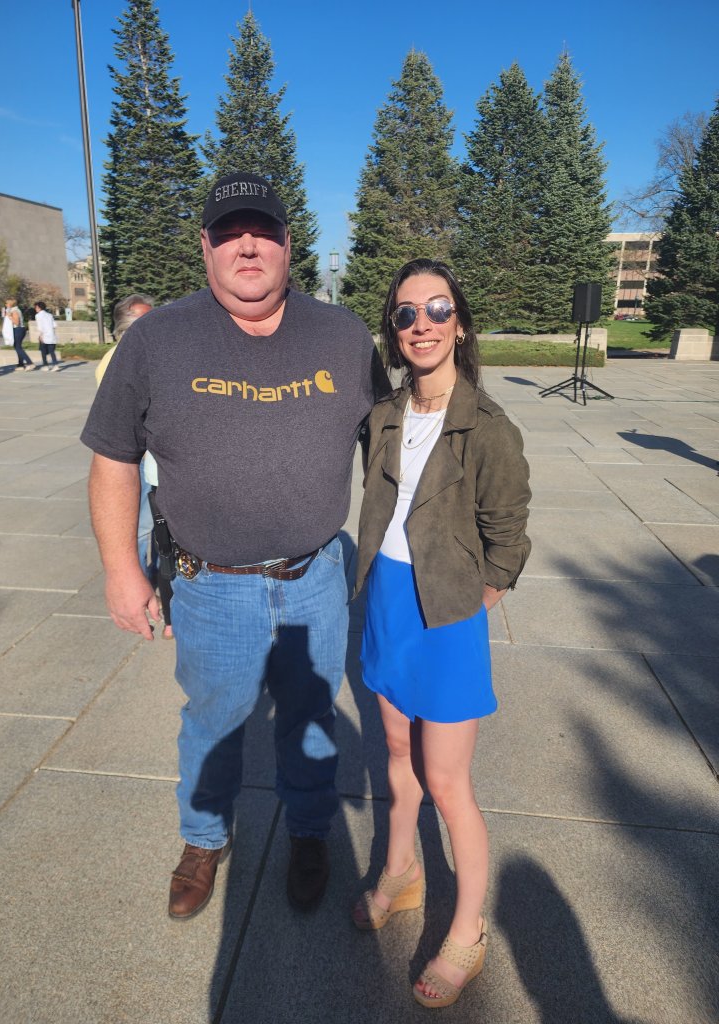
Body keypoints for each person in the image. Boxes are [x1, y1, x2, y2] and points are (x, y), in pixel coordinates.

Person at [81, 171, 388, 920]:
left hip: (316, 577)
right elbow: (114, 457)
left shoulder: (344, 337)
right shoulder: (156, 339)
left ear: (287, 243)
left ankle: (308, 832)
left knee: (311, 719)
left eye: (262, 231)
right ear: (206, 246)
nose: (246, 246)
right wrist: (121, 570)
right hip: (210, 584)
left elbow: (390, 449)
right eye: (229, 233)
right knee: (213, 721)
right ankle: (203, 838)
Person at [351, 258, 531, 1009]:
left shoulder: (488, 428)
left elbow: (508, 539)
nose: (420, 324)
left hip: (447, 615)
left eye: (436, 309)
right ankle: (402, 871)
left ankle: (467, 927)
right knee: (396, 752)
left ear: (459, 324)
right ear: (392, 331)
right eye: (405, 313)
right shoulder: (383, 416)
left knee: (450, 783)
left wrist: (468, 602)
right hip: (387, 603)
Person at [94, 294, 156, 583]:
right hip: (139, 459)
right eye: (146, 321)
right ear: (125, 328)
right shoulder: (117, 362)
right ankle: (141, 584)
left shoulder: (144, 356)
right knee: (142, 527)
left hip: (155, 458)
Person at [3, 298, 34, 370]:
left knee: (18, 347)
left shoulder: (15, 311)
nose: (5, 304)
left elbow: (17, 323)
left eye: (6, 303)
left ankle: (30, 363)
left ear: (10, 304)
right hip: (18, 329)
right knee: (17, 347)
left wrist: (10, 316)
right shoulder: (13, 310)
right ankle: (20, 365)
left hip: (18, 329)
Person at [34, 301, 59, 370]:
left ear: (39, 308)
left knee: (43, 351)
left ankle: (45, 366)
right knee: (52, 351)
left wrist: (40, 335)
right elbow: (54, 325)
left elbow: (40, 327)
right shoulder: (50, 315)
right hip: (51, 335)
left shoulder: (38, 315)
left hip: (44, 335)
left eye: (36, 307)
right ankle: (55, 365)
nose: (35, 309)